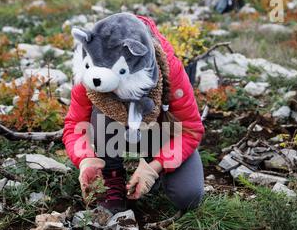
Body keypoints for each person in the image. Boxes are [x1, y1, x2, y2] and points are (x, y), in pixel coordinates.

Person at [63, 14, 205, 213]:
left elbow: (191, 130)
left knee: (187, 195)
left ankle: (150, 166)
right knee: (102, 109)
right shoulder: (90, 68)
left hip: (159, 132)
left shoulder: (168, 70)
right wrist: (85, 159)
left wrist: (155, 167)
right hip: (112, 134)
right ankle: (111, 175)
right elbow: (74, 125)